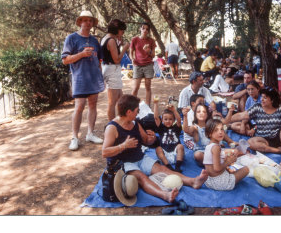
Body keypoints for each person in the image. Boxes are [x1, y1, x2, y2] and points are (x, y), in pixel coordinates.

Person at [101, 94, 208, 203]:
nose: (138, 113)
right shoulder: (112, 128)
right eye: (136, 111)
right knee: (142, 177)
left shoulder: (134, 123)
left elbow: (146, 141)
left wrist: (151, 138)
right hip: (124, 163)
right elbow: (104, 152)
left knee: (163, 169)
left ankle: (193, 181)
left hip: (139, 158)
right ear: (129, 112)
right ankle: (165, 195)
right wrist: (123, 146)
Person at [61, 10, 104, 151]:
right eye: (85, 20)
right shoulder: (71, 38)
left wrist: (99, 73)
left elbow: (99, 60)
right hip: (79, 78)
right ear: (80, 22)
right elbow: (65, 60)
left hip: (93, 78)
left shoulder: (94, 40)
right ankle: (75, 137)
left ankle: (90, 133)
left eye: (90, 20)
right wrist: (81, 54)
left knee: (93, 105)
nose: (87, 23)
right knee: (79, 107)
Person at [230, 87, 281, 154]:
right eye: (261, 97)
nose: (261, 99)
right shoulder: (257, 107)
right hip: (263, 138)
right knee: (250, 142)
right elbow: (242, 115)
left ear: (272, 100)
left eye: (265, 98)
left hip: (279, 138)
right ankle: (278, 151)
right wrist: (227, 119)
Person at [203, 119, 249, 191]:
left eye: (221, 129)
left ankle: (229, 174)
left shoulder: (209, 146)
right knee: (246, 169)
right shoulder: (216, 147)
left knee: (229, 168)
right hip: (220, 183)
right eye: (216, 130)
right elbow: (217, 169)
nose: (220, 132)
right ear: (209, 134)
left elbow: (214, 163)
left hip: (209, 181)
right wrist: (228, 161)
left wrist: (226, 160)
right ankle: (229, 180)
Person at [101, 19, 129, 121]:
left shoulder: (105, 38)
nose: (122, 33)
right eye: (122, 31)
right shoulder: (111, 40)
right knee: (112, 102)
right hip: (112, 70)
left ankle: (121, 120)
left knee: (120, 99)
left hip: (109, 68)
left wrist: (120, 45)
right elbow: (116, 59)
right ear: (117, 29)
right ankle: (112, 124)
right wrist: (124, 49)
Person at [153, 98, 184, 173]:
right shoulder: (161, 128)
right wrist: (156, 104)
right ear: (162, 120)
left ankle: (177, 166)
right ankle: (168, 166)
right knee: (158, 149)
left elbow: (179, 120)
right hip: (165, 154)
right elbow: (156, 117)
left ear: (173, 120)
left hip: (175, 154)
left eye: (170, 119)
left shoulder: (176, 128)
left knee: (180, 146)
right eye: (165, 119)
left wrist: (174, 110)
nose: (168, 121)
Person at [130, 22, 157, 107]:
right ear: (140, 29)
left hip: (148, 65)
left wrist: (148, 50)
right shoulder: (135, 39)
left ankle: (148, 106)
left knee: (148, 87)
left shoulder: (151, 41)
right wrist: (132, 59)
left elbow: (153, 55)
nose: (145, 30)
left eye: (147, 29)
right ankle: (132, 106)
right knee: (135, 88)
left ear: (148, 31)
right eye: (143, 28)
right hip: (138, 65)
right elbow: (131, 52)